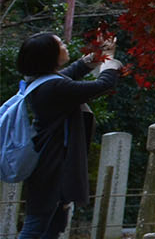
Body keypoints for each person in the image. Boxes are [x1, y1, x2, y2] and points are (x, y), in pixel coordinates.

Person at [14, 32, 126, 239]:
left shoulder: (42, 80)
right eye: (60, 44)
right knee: (37, 224)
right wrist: (110, 60)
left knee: (52, 224)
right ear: (49, 55)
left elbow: (72, 72)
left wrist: (97, 57)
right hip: (53, 163)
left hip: (51, 159)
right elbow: (101, 86)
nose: (65, 46)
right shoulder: (54, 86)